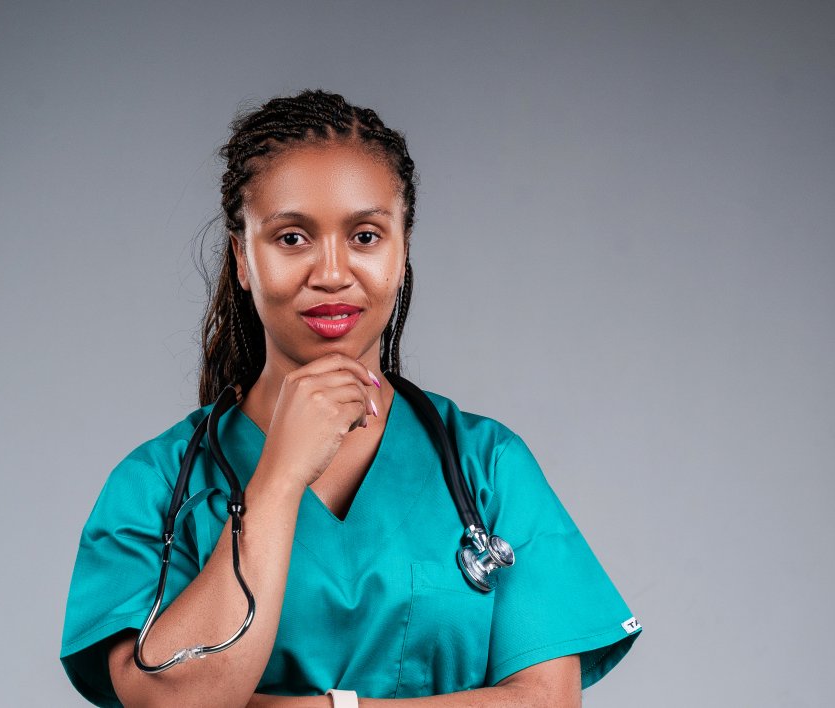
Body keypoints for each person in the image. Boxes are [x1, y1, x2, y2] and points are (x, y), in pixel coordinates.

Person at [59, 89, 641, 708]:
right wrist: (277, 480)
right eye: (291, 238)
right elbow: (172, 703)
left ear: (402, 249)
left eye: (365, 235)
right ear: (242, 257)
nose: (333, 273)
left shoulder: (488, 465)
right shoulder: (156, 485)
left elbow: (547, 702)